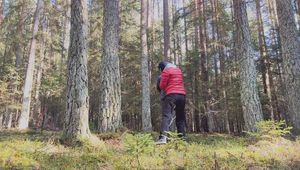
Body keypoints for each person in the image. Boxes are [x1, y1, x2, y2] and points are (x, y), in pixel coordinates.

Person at [156, 61, 187, 144]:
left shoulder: (166, 71)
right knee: (180, 118)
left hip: (171, 95)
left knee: (167, 116)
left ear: (163, 68)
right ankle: (182, 139)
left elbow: (162, 86)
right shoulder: (178, 70)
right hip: (182, 95)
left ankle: (163, 138)